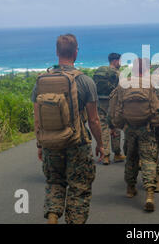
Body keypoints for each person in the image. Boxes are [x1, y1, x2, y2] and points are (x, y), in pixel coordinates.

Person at [32, 34, 105, 224]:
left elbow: (37, 118)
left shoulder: (41, 81)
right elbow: (94, 119)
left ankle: (53, 216)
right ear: (76, 52)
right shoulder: (85, 81)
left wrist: (40, 144)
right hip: (77, 143)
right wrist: (101, 144)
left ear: (57, 52)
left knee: (55, 183)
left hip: (50, 143)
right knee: (79, 188)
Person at [109, 58, 159, 212]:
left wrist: (114, 125)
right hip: (146, 129)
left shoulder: (123, 84)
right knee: (149, 160)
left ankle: (130, 188)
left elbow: (114, 108)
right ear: (146, 70)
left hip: (129, 128)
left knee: (131, 158)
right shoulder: (151, 85)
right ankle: (150, 194)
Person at [93, 53, 125, 165]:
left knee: (103, 127)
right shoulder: (118, 74)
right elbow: (121, 90)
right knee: (115, 127)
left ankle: (105, 155)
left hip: (100, 102)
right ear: (115, 61)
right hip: (113, 103)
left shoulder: (100, 71)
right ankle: (117, 154)